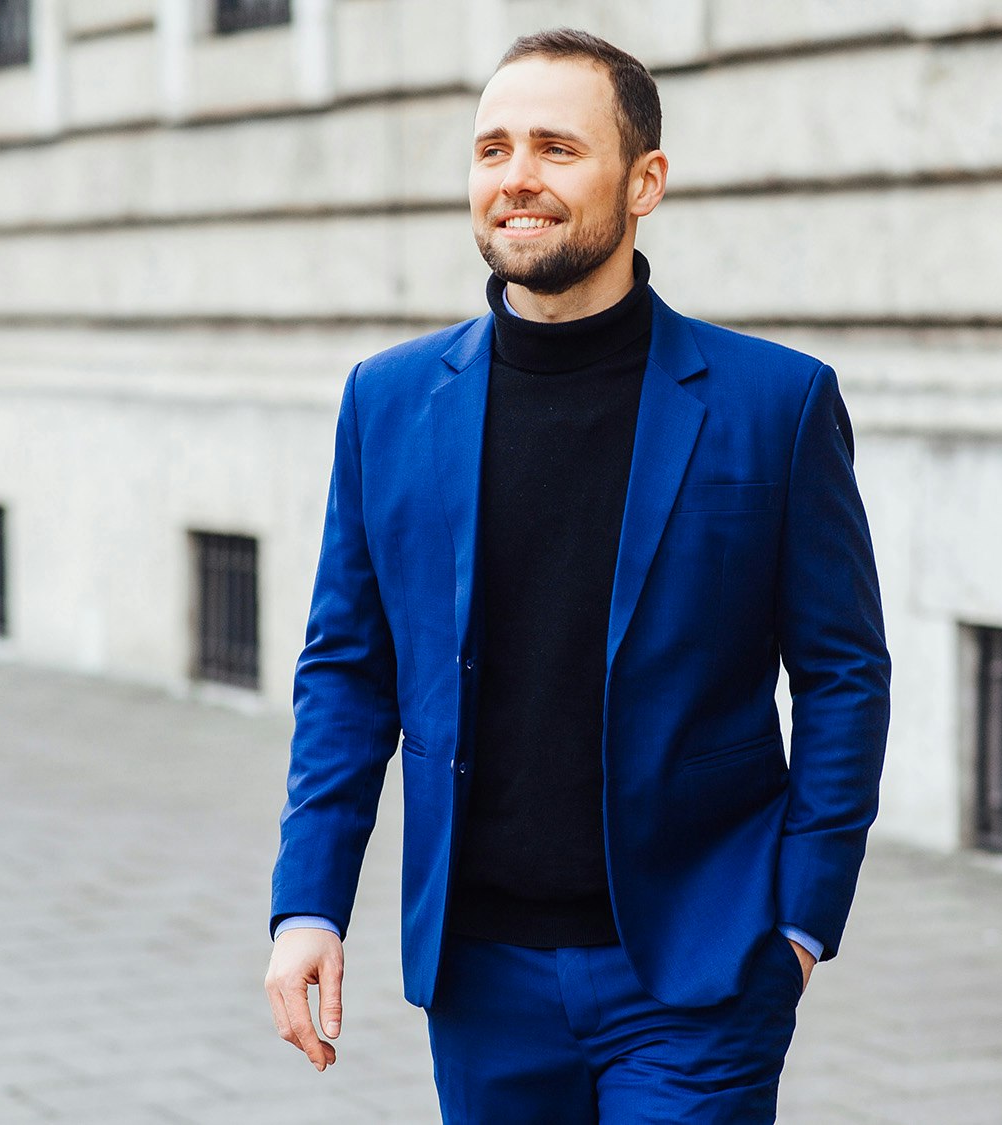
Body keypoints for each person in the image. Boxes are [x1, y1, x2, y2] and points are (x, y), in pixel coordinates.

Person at [264, 27, 890, 1122]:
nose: (516, 177)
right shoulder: (388, 401)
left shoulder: (772, 403)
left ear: (643, 180)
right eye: (492, 147)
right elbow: (346, 671)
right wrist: (307, 907)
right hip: (478, 976)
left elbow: (843, 674)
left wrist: (799, 920)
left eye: (556, 147)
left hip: (699, 970)